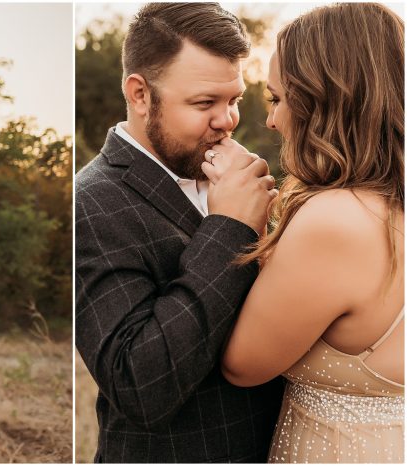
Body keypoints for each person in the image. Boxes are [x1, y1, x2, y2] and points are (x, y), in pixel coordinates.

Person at [74, 3, 284, 462]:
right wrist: (229, 229)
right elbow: (140, 385)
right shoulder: (89, 203)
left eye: (234, 101)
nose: (227, 121)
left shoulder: (233, 172)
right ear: (140, 94)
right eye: (204, 103)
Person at [215, 3, 404, 463]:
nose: (272, 121)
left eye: (277, 99)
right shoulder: (388, 207)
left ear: (326, 99)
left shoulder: (337, 222)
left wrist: (231, 222)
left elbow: (242, 367)